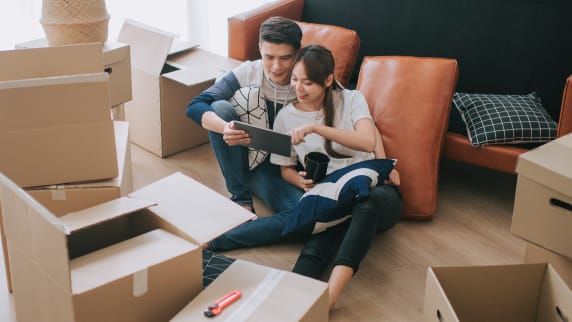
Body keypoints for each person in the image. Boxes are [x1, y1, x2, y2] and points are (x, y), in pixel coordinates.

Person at [269, 44, 403, 309]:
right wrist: (300, 182)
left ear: (328, 79)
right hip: (333, 195)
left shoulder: (352, 99)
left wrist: (317, 128)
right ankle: (283, 307)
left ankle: (330, 296)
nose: (298, 88)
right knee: (317, 245)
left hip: (373, 189)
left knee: (368, 201)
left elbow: (367, 140)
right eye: (295, 80)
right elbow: (285, 168)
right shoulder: (285, 117)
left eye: (307, 82)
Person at [186, 16, 303, 214]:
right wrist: (225, 128)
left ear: (298, 53)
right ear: (260, 48)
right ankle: (241, 200)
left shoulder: (308, 78)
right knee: (220, 108)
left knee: (301, 212)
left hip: (288, 166)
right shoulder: (249, 71)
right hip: (251, 161)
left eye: (285, 58)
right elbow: (195, 105)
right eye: (269, 57)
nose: (276, 67)